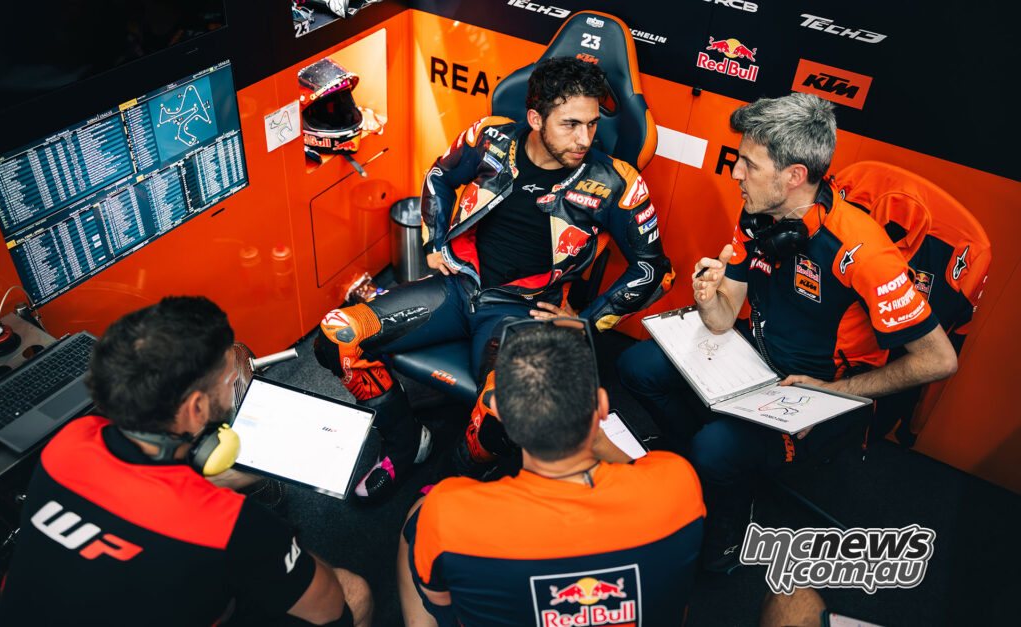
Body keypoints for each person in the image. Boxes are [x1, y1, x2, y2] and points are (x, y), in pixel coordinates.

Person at [617, 93, 958, 571]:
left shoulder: (864, 253)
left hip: (822, 390)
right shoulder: (758, 214)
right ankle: (707, 468)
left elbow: (940, 360)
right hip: (758, 355)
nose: (735, 173)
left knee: (715, 448)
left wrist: (835, 392)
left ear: (795, 176)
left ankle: (727, 521)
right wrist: (706, 295)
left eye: (748, 164)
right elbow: (720, 318)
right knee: (636, 366)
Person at [314, 56, 673, 499]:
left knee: (500, 414)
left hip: (522, 312)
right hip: (456, 287)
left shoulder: (616, 180)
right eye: (570, 125)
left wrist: (583, 322)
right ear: (535, 117)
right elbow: (440, 175)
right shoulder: (490, 137)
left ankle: (455, 486)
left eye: (593, 125)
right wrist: (435, 242)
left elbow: (654, 268)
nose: (585, 139)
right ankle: (407, 445)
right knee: (335, 338)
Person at [0, 296, 373, 627]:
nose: (235, 386)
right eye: (230, 382)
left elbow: (139, 503)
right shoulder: (234, 526)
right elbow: (328, 609)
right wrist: (276, 549)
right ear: (196, 410)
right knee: (355, 592)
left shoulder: (65, 447)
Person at [397, 322, 704, 626]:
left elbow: (443, 603)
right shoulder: (678, 482)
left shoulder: (445, 514)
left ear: (501, 415)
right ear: (601, 406)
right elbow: (642, 471)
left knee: (417, 516)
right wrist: (595, 434)